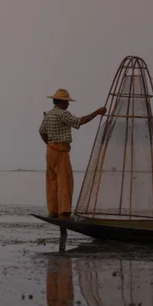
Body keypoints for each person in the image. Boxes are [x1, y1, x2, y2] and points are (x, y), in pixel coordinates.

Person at [39, 89, 106, 220]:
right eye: (67, 102)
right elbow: (79, 121)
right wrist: (97, 113)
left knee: (52, 182)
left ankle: (53, 211)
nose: (68, 105)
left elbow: (41, 131)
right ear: (61, 102)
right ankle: (64, 214)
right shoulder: (62, 113)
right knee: (65, 182)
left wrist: (49, 143)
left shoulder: (49, 115)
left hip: (50, 151)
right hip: (60, 151)